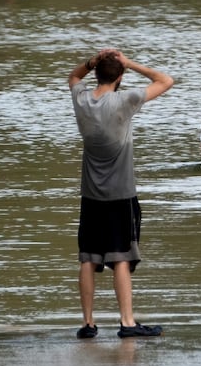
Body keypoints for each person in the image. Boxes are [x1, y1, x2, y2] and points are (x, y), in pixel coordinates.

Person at [68, 48, 174, 339]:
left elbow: (74, 76)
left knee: (88, 257)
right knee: (121, 258)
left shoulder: (82, 99)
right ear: (121, 76)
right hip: (120, 194)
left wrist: (92, 62)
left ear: (97, 73)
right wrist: (128, 63)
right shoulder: (125, 100)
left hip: (90, 195)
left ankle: (88, 324)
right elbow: (165, 80)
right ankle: (127, 322)